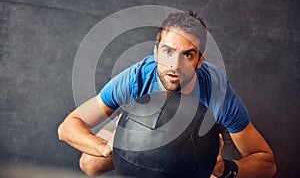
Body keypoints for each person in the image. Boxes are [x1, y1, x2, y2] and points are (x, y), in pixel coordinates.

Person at [58, 11, 276, 177]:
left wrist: (223, 168)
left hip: (199, 134)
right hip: (143, 123)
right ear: (155, 53)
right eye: (168, 51)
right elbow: (68, 126)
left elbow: (267, 163)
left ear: (200, 60)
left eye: (187, 55)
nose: (175, 65)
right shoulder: (136, 78)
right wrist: (107, 147)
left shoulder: (218, 93)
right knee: (90, 163)